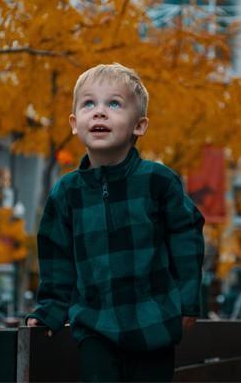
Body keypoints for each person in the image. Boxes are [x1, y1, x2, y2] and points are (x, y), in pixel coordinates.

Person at [26, 63, 205, 382]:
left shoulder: (158, 182)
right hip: (95, 324)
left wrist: (188, 300)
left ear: (139, 126)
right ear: (74, 123)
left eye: (114, 104)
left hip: (154, 322)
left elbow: (186, 239)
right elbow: (57, 261)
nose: (99, 113)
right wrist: (50, 312)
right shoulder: (66, 193)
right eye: (89, 104)